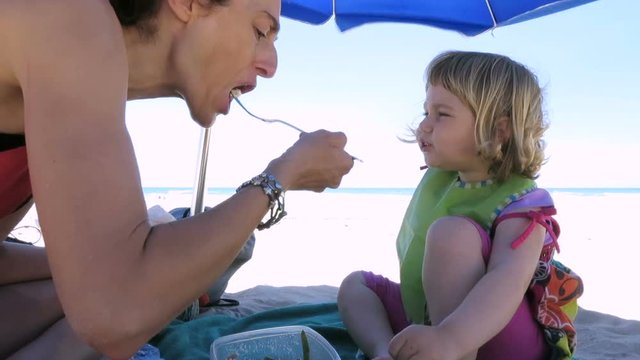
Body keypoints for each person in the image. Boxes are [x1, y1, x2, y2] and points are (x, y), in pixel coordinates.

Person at [0, 0, 354, 359]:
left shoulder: (67, 84)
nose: (271, 65)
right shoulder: (69, 18)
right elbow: (113, 315)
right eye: (260, 31)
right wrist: (280, 177)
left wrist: (79, 263)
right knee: (135, 303)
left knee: (136, 293)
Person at [337, 51, 583, 360]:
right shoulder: (443, 179)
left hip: (490, 330)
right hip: (431, 322)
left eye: (442, 114)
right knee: (356, 285)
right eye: (426, 111)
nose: (423, 126)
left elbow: (508, 279)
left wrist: (451, 339)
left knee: (451, 233)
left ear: (498, 130)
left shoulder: (521, 203)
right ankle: (382, 351)